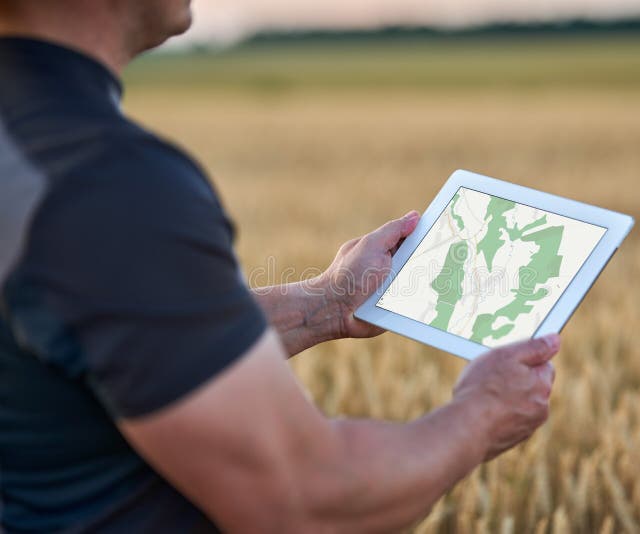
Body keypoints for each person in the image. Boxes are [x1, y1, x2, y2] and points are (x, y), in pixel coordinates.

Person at [0, 1, 559, 532]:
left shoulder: (31, 155)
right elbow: (308, 502)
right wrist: (481, 416)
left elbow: (106, 341)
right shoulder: (104, 184)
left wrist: (330, 303)